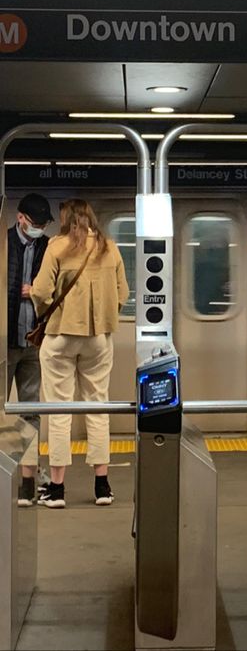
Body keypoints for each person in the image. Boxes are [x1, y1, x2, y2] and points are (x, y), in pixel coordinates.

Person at [31, 199, 129, 509]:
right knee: (98, 407)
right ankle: (102, 486)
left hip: (60, 336)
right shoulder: (109, 247)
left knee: (59, 412)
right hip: (98, 339)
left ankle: (57, 490)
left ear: (65, 219)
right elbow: (123, 293)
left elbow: (40, 292)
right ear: (90, 218)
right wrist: (103, 316)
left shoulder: (57, 246)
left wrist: (47, 313)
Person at [8, 193, 54, 507]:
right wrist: (20, 291)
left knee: (30, 412)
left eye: (42, 224)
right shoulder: (5, 243)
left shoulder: (47, 246)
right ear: (20, 218)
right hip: (5, 338)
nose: (38, 228)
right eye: (35, 223)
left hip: (34, 340)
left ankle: (28, 477)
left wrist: (35, 292)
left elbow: (52, 287)